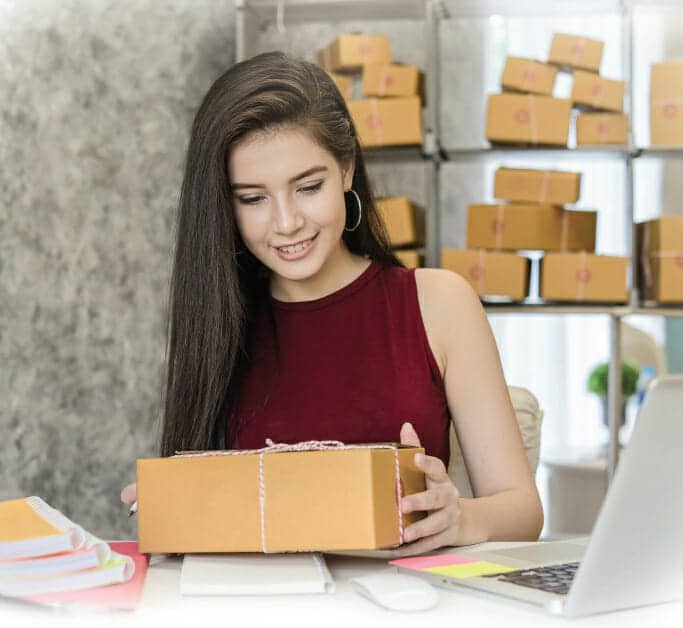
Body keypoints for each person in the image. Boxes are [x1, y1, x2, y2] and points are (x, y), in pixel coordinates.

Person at [121, 51, 543, 554]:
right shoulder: (218, 322)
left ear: (346, 170)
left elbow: (522, 509)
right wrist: (176, 505)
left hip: (407, 605)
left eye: (308, 187)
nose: (286, 223)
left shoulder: (440, 302)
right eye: (253, 199)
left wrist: (459, 518)